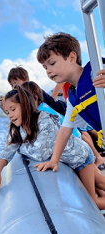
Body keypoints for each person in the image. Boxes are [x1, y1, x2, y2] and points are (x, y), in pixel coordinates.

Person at [0, 86, 105, 209]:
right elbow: (9, 148)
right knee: (102, 183)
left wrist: (20, 146)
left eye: (13, 109)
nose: (10, 115)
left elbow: (40, 153)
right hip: (73, 159)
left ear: (26, 104)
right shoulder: (21, 127)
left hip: (80, 158)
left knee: (92, 202)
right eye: (7, 112)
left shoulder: (44, 119)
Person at [36, 32, 105, 174]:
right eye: (45, 68)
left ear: (72, 57)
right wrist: (54, 160)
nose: (48, 71)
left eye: (52, 63)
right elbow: (65, 130)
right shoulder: (74, 99)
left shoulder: (97, 71)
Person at [0, 66, 67, 116]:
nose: (14, 87)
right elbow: (16, 116)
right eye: (11, 85)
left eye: (16, 84)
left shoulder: (33, 91)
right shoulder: (19, 98)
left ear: (26, 81)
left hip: (62, 110)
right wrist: (4, 107)